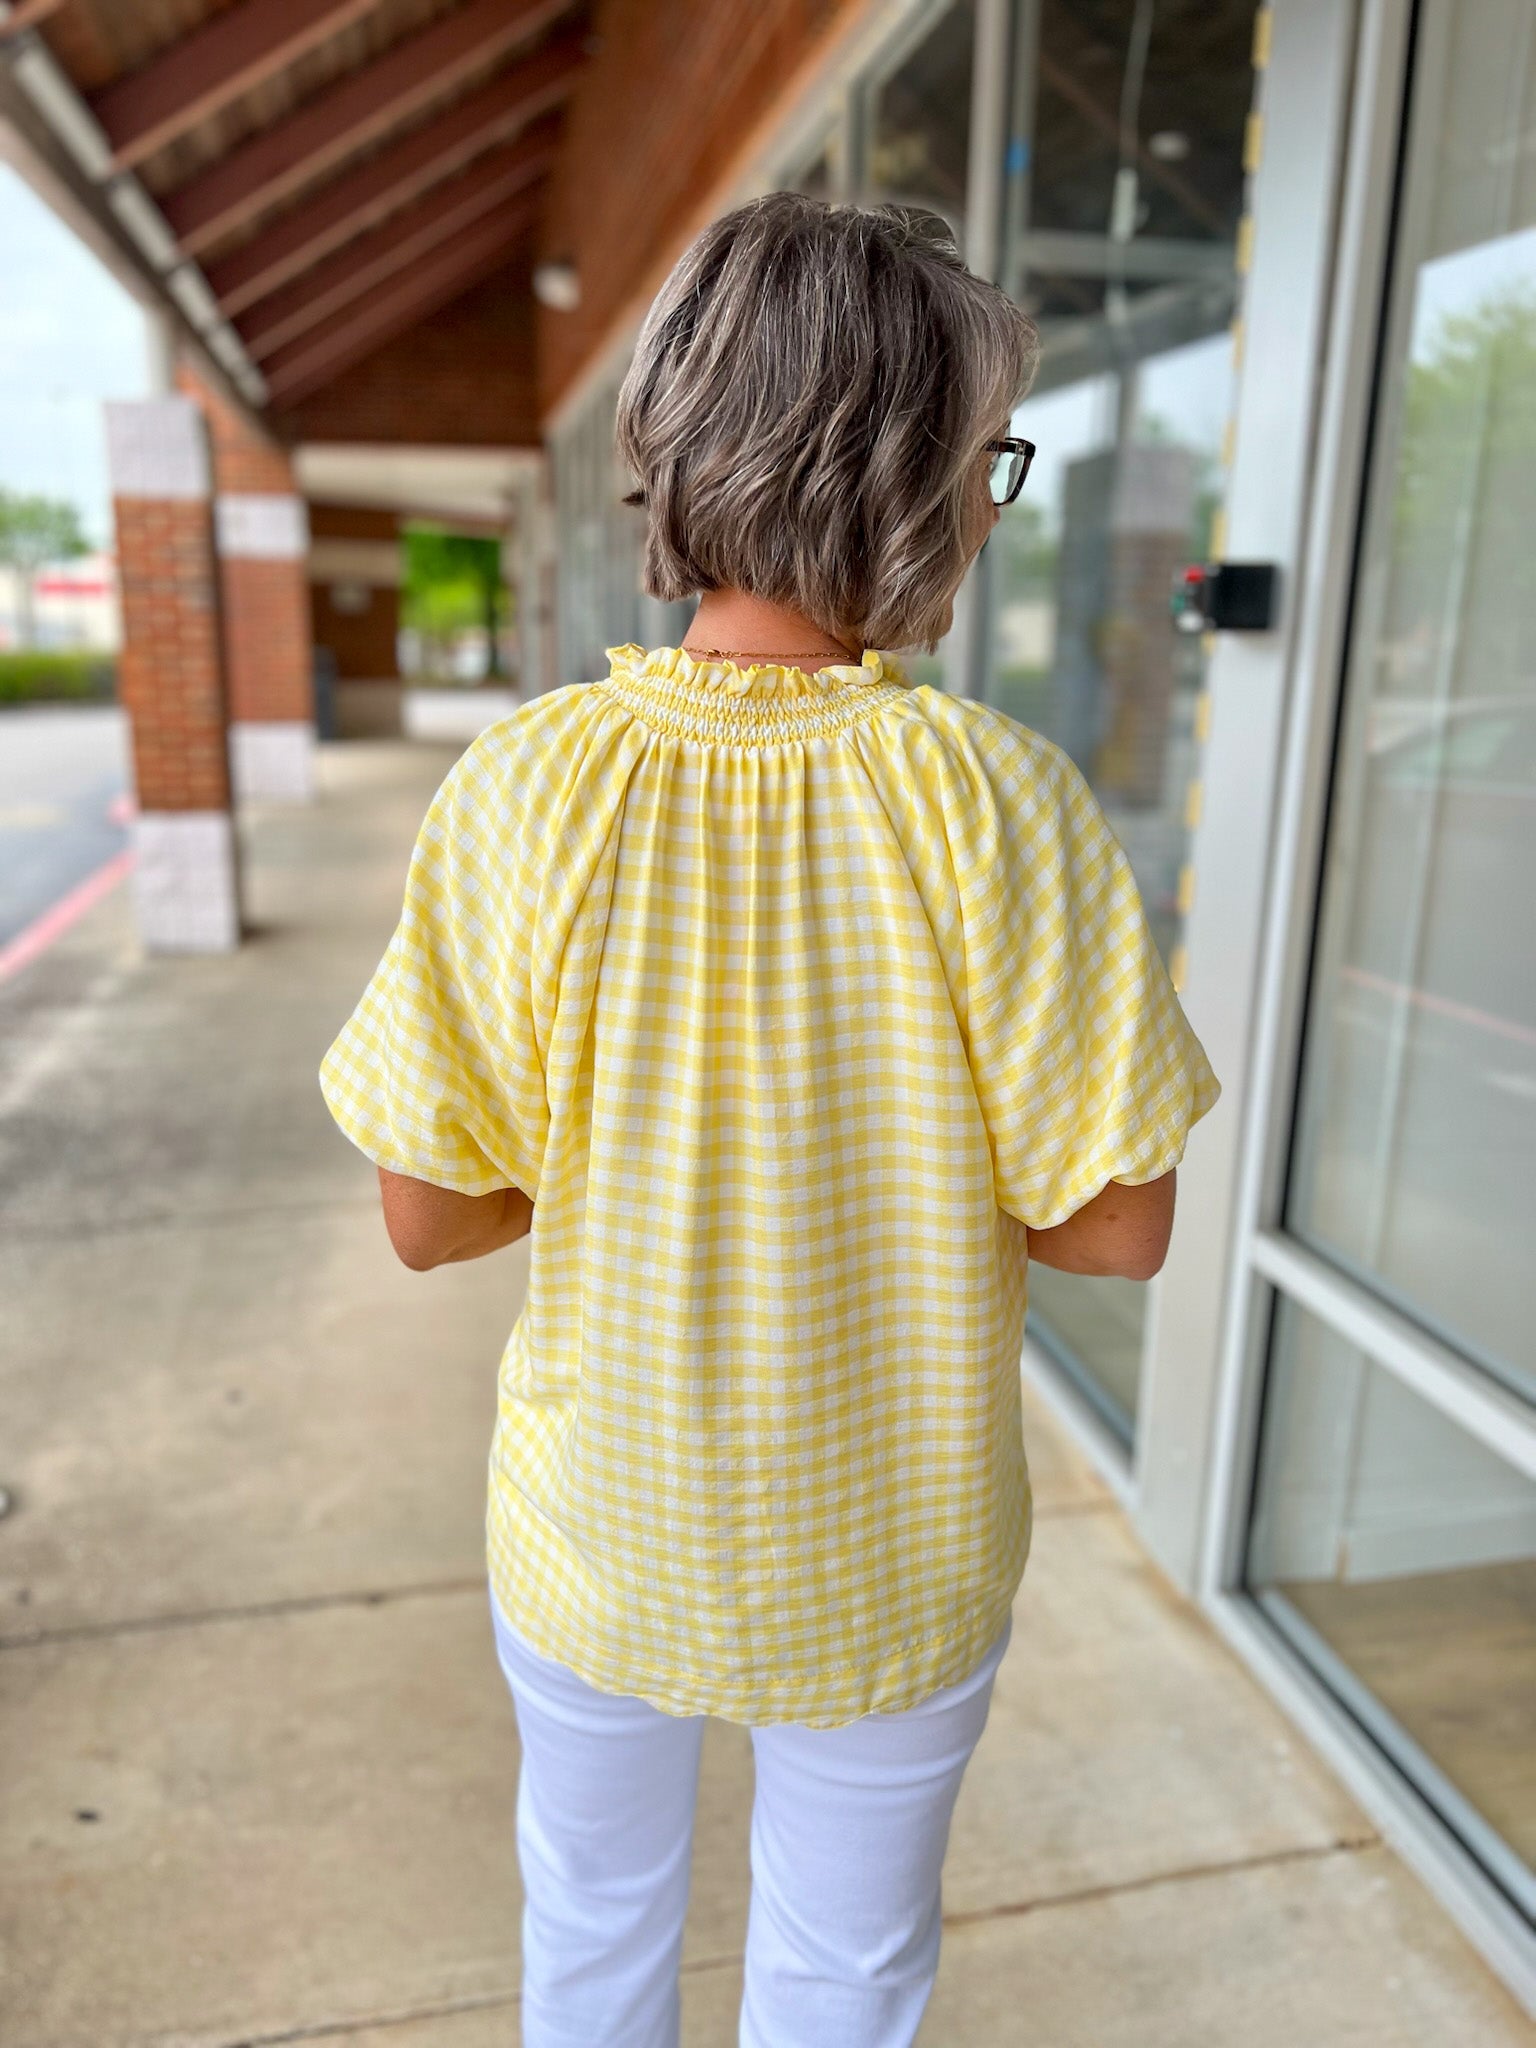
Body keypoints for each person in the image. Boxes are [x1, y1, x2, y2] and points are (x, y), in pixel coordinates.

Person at [319, 191, 1220, 2048]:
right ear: (904, 480)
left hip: (597, 1526)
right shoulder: (996, 803)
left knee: (589, 1922)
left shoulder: (529, 786)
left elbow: (429, 1211)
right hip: (890, 1543)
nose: (990, 503)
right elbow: (1111, 1224)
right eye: (989, 461)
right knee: (848, 1970)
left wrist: (609, 1155)